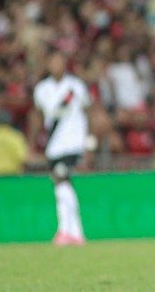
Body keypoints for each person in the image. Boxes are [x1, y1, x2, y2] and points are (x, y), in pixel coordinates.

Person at [33, 50, 90, 246]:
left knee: (61, 178)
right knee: (61, 184)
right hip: (54, 144)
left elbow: (88, 110)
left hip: (73, 141)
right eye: (53, 61)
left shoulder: (76, 86)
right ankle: (73, 232)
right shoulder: (42, 89)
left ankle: (67, 230)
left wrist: (88, 141)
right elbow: (42, 116)